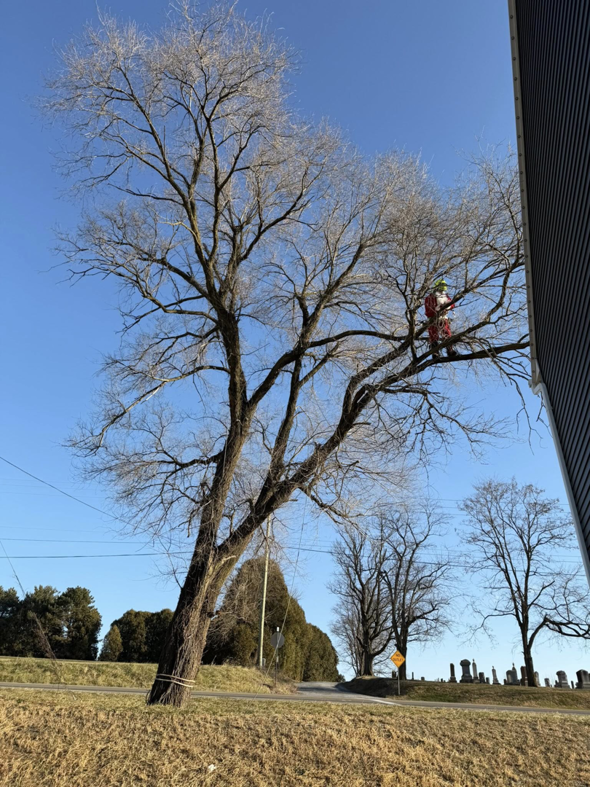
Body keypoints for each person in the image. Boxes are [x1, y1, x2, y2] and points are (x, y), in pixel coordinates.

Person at [424, 280, 457, 359]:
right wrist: (436, 311)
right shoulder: (430, 297)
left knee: (447, 333)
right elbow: (428, 309)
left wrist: (447, 307)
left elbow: (452, 304)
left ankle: (450, 350)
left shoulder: (445, 296)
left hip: (443, 318)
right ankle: (435, 352)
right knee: (433, 336)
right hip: (432, 319)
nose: (442, 291)